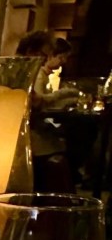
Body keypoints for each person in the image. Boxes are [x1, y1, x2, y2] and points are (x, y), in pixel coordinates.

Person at [16, 30, 78, 192]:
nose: (45, 60)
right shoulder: (19, 69)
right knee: (62, 148)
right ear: (31, 52)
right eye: (44, 55)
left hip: (26, 129)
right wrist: (64, 95)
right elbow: (34, 102)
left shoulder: (25, 69)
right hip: (23, 134)